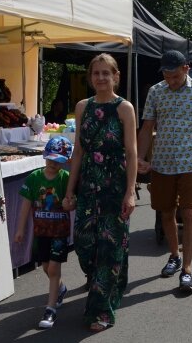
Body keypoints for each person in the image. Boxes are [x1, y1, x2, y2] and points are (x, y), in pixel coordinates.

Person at [62, 53, 137, 332]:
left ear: (116, 76)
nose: (101, 78)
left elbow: (131, 152)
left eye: (107, 73)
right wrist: (70, 191)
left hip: (115, 186)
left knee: (108, 247)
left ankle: (101, 310)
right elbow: (78, 150)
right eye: (97, 73)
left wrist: (130, 192)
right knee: (83, 243)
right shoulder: (83, 107)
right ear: (90, 77)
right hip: (89, 186)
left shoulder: (124, 108)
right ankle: (113, 279)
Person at [137, 50, 192, 294]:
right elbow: (147, 125)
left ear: (186, 68)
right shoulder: (156, 91)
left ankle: (188, 269)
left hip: (191, 162)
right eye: (167, 76)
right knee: (166, 213)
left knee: (190, 212)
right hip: (162, 163)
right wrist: (139, 157)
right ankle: (174, 255)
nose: (170, 81)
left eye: (174, 76)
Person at [15, 136, 73, 329]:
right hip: (41, 232)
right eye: (50, 158)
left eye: (58, 160)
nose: (53, 163)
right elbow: (25, 205)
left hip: (59, 232)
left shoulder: (66, 179)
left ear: (64, 161)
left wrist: (70, 204)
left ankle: (50, 310)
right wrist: (21, 229)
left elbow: (73, 202)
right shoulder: (34, 178)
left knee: (54, 269)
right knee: (47, 268)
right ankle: (61, 289)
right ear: (45, 156)